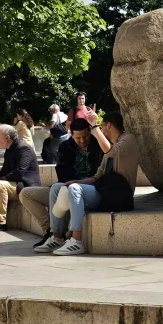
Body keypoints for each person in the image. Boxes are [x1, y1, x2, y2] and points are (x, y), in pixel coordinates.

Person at [37, 110, 140, 256]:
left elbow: (110, 151)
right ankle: (57, 236)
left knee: (73, 190)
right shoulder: (111, 143)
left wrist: (95, 125)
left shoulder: (128, 139)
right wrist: (76, 181)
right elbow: (98, 176)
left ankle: (76, 240)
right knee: (57, 187)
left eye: (102, 127)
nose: (101, 130)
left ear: (108, 125)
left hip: (119, 195)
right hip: (104, 190)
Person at [21, 118, 107, 248]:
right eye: (78, 138)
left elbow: (102, 174)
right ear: (71, 134)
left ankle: (57, 234)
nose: (82, 141)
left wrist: (79, 183)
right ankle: (51, 232)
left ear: (90, 132)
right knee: (26, 193)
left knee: (69, 190)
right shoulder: (64, 147)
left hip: (88, 189)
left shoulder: (98, 146)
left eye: (85, 137)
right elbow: (62, 173)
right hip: (66, 187)